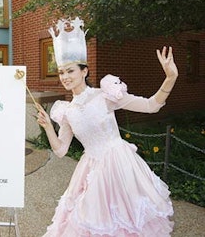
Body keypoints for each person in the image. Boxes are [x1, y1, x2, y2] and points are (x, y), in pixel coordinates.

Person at [36, 17, 177, 236]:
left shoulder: (106, 95)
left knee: (128, 222)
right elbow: (61, 150)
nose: (65, 77)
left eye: (70, 71)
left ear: (84, 71)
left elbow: (151, 106)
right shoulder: (67, 111)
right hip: (91, 171)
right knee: (94, 223)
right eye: (61, 72)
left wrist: (170, 78)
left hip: (120, 167)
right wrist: (47, 126)